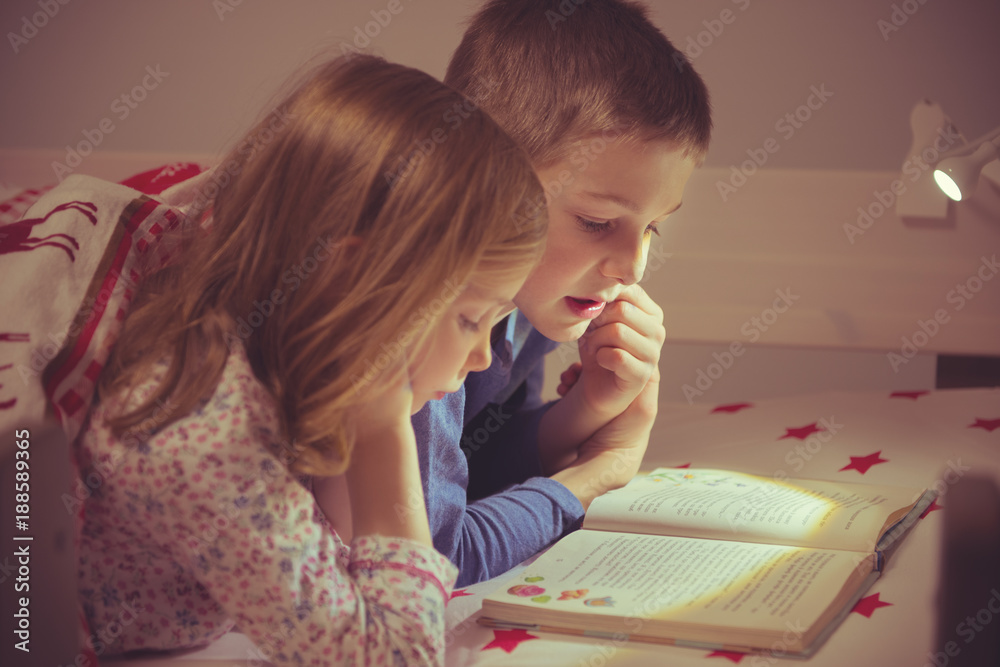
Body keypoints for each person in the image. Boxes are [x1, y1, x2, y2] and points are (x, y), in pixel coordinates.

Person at [71, 54, 546, 663]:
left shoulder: (274, 363)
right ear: (348, 276)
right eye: (469, 318)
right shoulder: (204, 434)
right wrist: (384, 429)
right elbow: (395, 657)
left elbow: (351, 575)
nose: (484, 358)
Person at [414, 0, 713, 585]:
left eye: (653, 227)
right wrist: (595, 474)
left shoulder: (524, 306)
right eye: (597, 223)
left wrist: (588, 409)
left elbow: (472, 464)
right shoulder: (422, 310)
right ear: (479, 179)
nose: (633, 267)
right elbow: (431, 558)